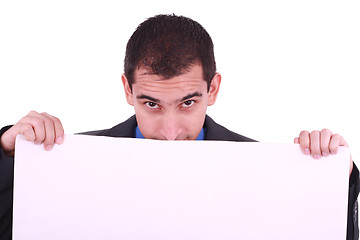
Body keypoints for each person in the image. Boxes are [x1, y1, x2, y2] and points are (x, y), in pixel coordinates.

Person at [0, 14, 359, 240]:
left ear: (212, 89)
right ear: (127, 90)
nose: (170, 131)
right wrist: (8, 152)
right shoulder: (65, 162)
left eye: (188, 102)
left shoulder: (265, 169)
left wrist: (333, 178)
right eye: (151, 103)